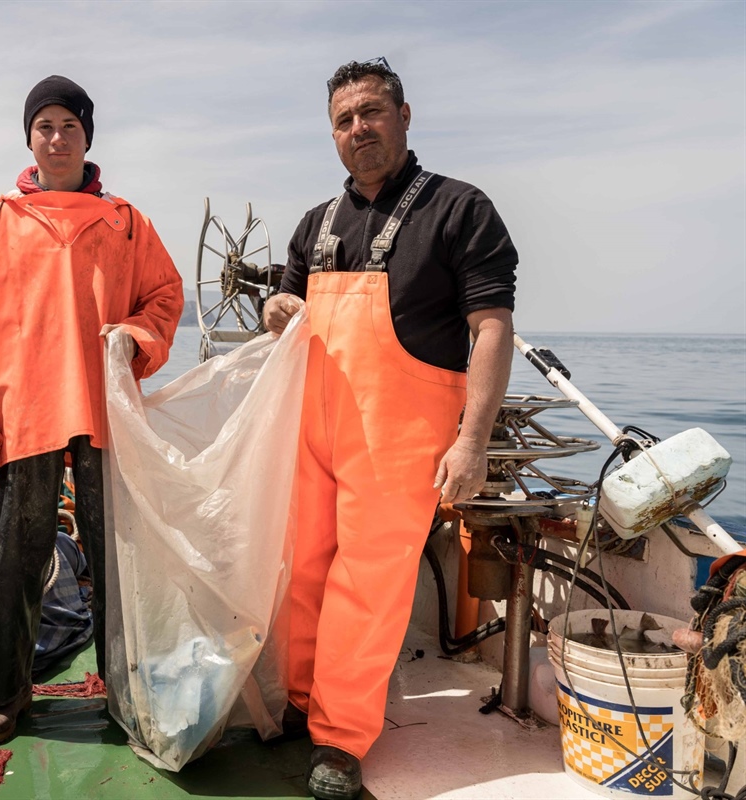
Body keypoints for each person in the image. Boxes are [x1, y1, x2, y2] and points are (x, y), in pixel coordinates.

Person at [263, 59, 517, 800]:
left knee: (367, 584)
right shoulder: (317, 223)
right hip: (314, 427)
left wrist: (472, 441)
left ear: (405, 115)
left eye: (371, 113)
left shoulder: (460, 208)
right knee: (303, 568)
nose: (358, 130)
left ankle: (341, 740)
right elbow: (284, 307)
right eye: (344, 120)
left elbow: (493, 328)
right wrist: (275, 310)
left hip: (400, 435)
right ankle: (304, 701)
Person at [0, 75, 184, 744]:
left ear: (86, 138)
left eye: (68, 126)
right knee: (18, 557)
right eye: (44, 126)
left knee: (114, 557)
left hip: (105, 411)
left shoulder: (127, 220)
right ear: (29, 140)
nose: (56, 137)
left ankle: (124, 692)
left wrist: (139, 335)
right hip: (23, 415)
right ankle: (6, 694)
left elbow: (164, 296)